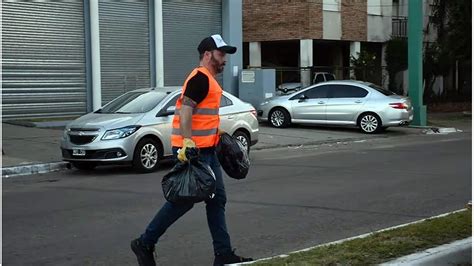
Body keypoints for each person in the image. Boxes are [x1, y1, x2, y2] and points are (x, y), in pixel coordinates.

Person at [131, 34, 253, 266]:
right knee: (183, 200)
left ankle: (223, 255)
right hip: (194, 151)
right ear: (207, 55)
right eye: (221, 54)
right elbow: (186, 109)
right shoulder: (200, 78)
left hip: (208, 150)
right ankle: (145, 242)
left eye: (225, 54)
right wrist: (187, 142)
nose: (224, 59)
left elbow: (201, 117)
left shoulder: (208, 79)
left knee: (217, 200)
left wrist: (218, 138)